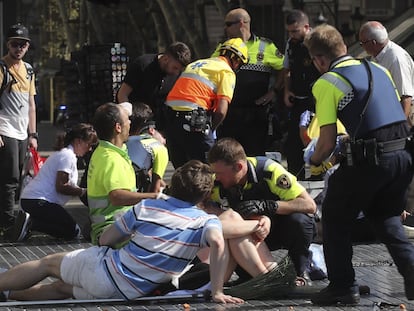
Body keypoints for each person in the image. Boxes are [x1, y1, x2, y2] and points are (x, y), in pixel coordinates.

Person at [0, 160, 244, 304]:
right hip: (124, 292)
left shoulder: (147, 206)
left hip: (104, 271)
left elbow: (106, 239)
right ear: (204, 194)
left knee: (47, 264)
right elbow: (219, 244)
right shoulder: (204, 221)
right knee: (61, 289)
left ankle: (3, 283)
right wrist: (217, 291)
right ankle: (10, 293)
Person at [303, 24, 414, 306]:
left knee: (334, 216)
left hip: (370, 161)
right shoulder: (379, 70)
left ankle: (342, 287)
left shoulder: (327, 82)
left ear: (319, 59)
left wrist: (313, 163)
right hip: (402, 158)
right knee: (387, 220)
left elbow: (325, 143)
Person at [207, 137, 316, 284]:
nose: (216, 178)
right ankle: (249, 276)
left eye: (220, 173)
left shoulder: (268, 171)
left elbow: (309, 205)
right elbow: (200, 207)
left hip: (279, 228)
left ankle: (301, 270)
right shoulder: (215, 181)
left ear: (239, 167)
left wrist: (269, 206)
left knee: (301, 221)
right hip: (248, 233)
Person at [164, 37, 248, 168]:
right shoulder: (226, 71)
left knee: (182, 168)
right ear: (237, 61)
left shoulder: (196, 63)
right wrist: (211, 128)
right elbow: (221, 110)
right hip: (194, 118)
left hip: (170, 117)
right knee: (207, 169)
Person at [212, 8, 284, 156]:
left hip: (256, 114)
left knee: (254, 156)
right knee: (228, 156)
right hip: (230, 114)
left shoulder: (266, 46)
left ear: (241, 24)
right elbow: (212, 69)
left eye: (228, 24)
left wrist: (274, 91)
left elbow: (285, 68)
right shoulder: (223, 47)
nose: (225, 28)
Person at [87, 103, 157, 245]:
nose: (130, 122)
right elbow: (117, 197)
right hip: (115, 234)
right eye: (127, 119)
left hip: (117, 229)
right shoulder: (111, 159)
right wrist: (154, 197)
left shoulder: (106, 152)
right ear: (118, 127)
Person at [15, 123, 98, 241]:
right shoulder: (67, 156)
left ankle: (31, 223)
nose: (89, 149)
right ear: (79, 141)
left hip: (33, 200)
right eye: (89, 144)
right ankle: (32, 223)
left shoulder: (65, 154)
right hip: (38, 201)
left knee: (70, 229)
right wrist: (82, 191)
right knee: (73, 231)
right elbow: (61, 186)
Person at [0, 23, 37, 240]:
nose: (19, 48)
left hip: (22, 131)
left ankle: (10, 218)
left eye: (23, 44)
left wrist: (33, 135)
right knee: (10, 177)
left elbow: (31, 104)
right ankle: (7, 222)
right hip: (5, 128)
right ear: (8, 45)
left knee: (20, 175)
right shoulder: (2, 68)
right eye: (15, 44)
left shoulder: (29, 70)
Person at [116, 42, 192, 130]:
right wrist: (129, 118)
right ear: (166, 59)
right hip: (137, 123)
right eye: (175, 68)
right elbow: (122, 94)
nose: (176, 73)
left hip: (161, 125)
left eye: (179, 70)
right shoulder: (142, 65)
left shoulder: (177, 75)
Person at [282, 10, 321, 179]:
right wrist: (286, 90)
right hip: (297, 99)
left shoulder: (318, 42)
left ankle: (317, 174)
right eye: (289, 31)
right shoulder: (291, 43)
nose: (292, 34)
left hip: (316, 101)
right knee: (293, 142)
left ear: (306, 27)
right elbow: (287, 69)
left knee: (314, 138)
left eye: (295, 31)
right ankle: (295, 177)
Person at [359, 21, 414, 126]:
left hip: (406, 115)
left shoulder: (396, 58)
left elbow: (406, 97)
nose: (362, 46)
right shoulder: (376, 56)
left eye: (362, 43)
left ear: (373, 43)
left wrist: (399, 127)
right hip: (392, 112)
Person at [126, 103, 169, 193]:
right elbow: (155, 190)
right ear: (151, 130)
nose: (164, 141)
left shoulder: (122, 142)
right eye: (163, 136)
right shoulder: (158, 147)